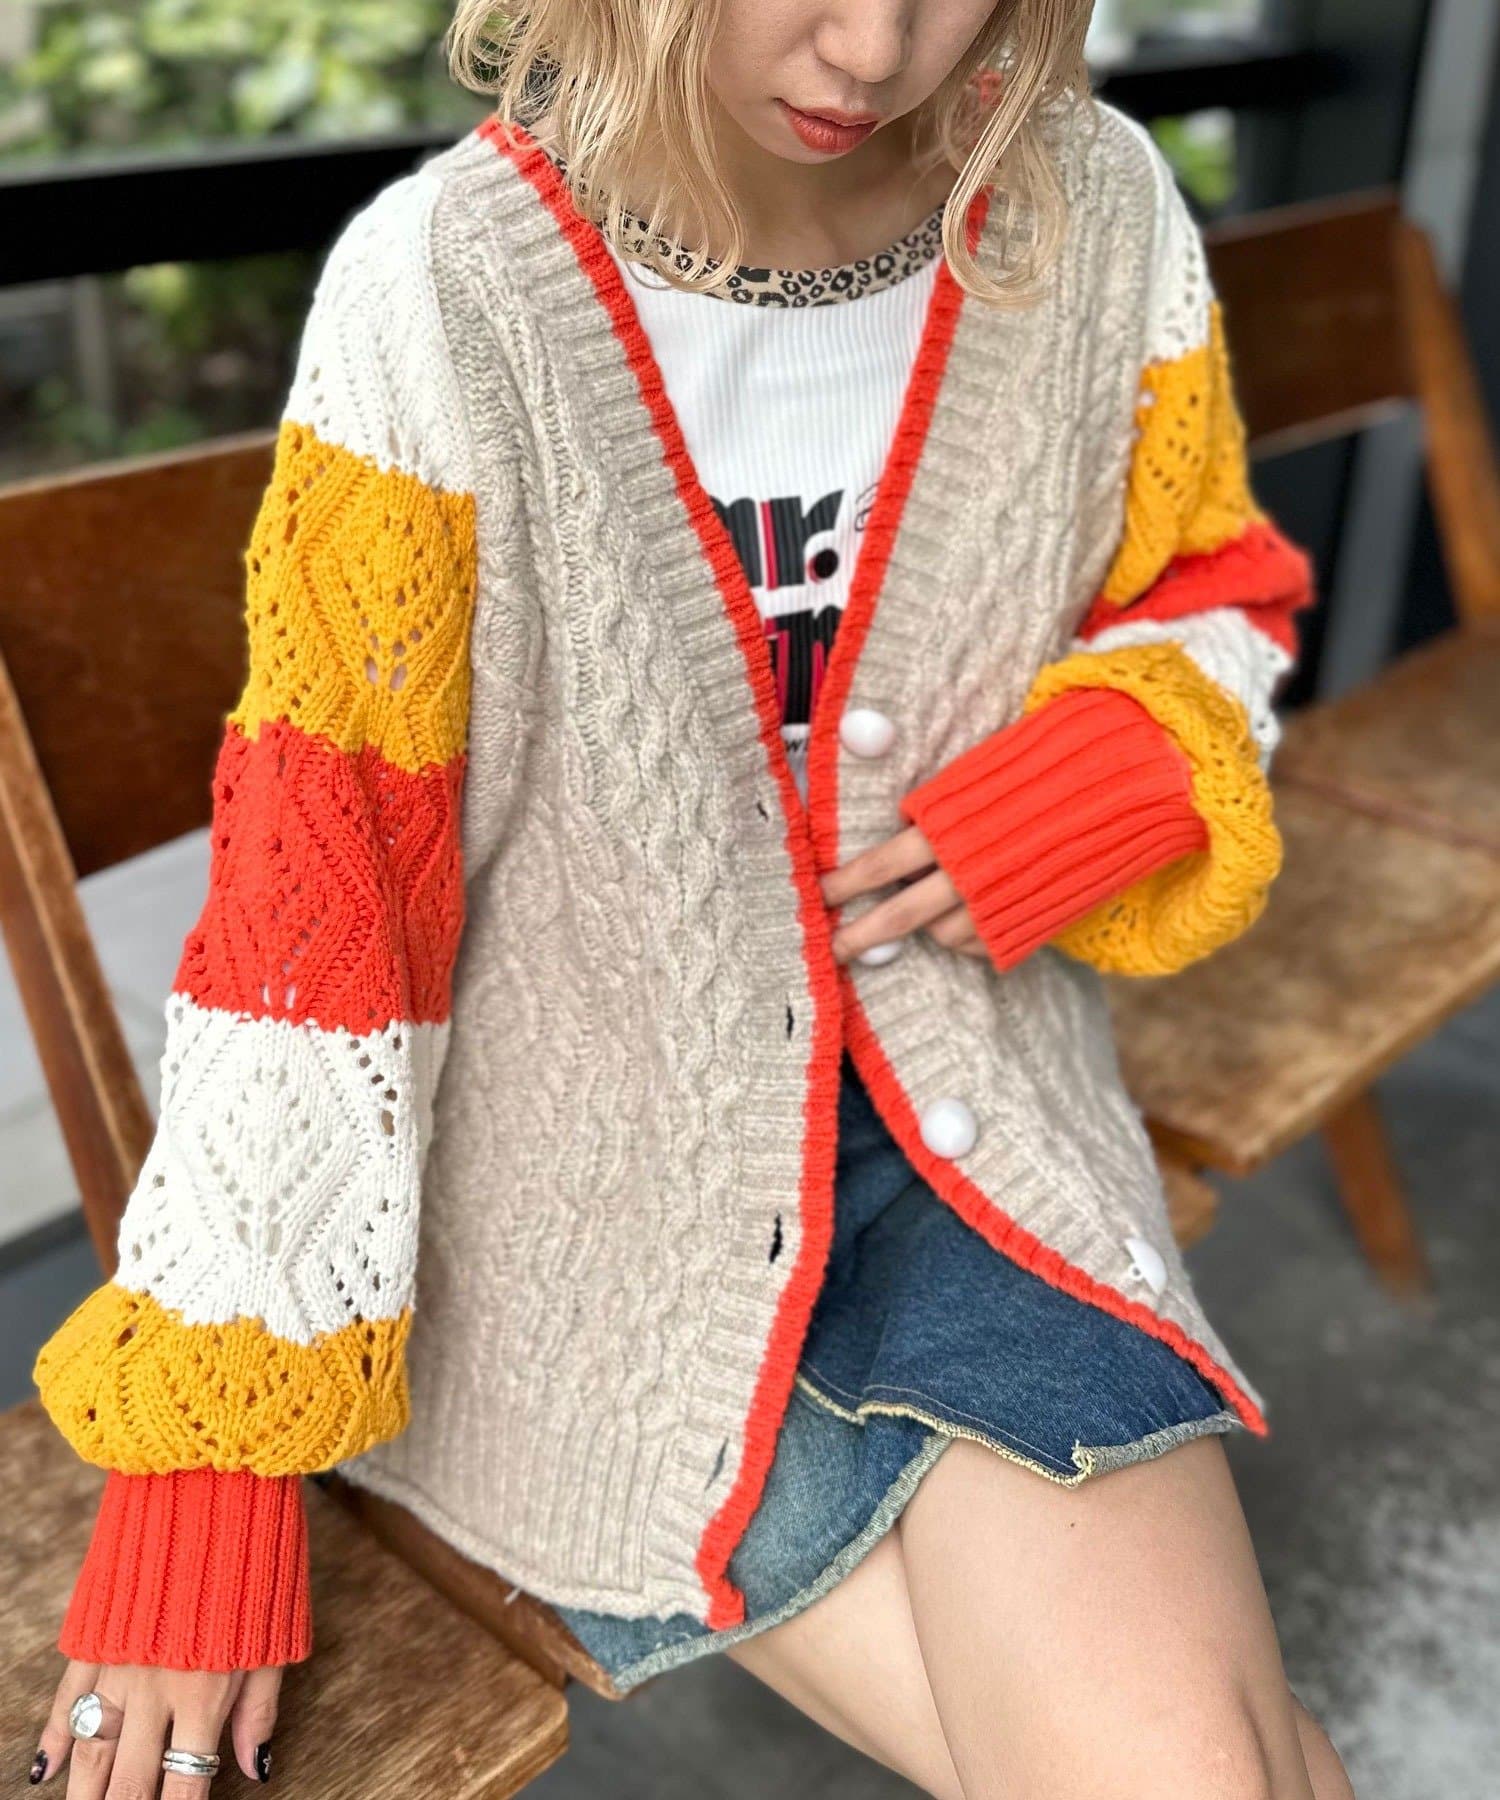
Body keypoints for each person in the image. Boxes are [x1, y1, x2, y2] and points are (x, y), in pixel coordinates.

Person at [26, 2, 1356, 1795]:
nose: (871, 49)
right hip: (576, 1227)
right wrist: (212, 1460)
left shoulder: (1085, 211)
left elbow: (1215, 584)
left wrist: (1114, 765)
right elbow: (320, 904)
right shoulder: (446, 294)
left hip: (980, 1138)